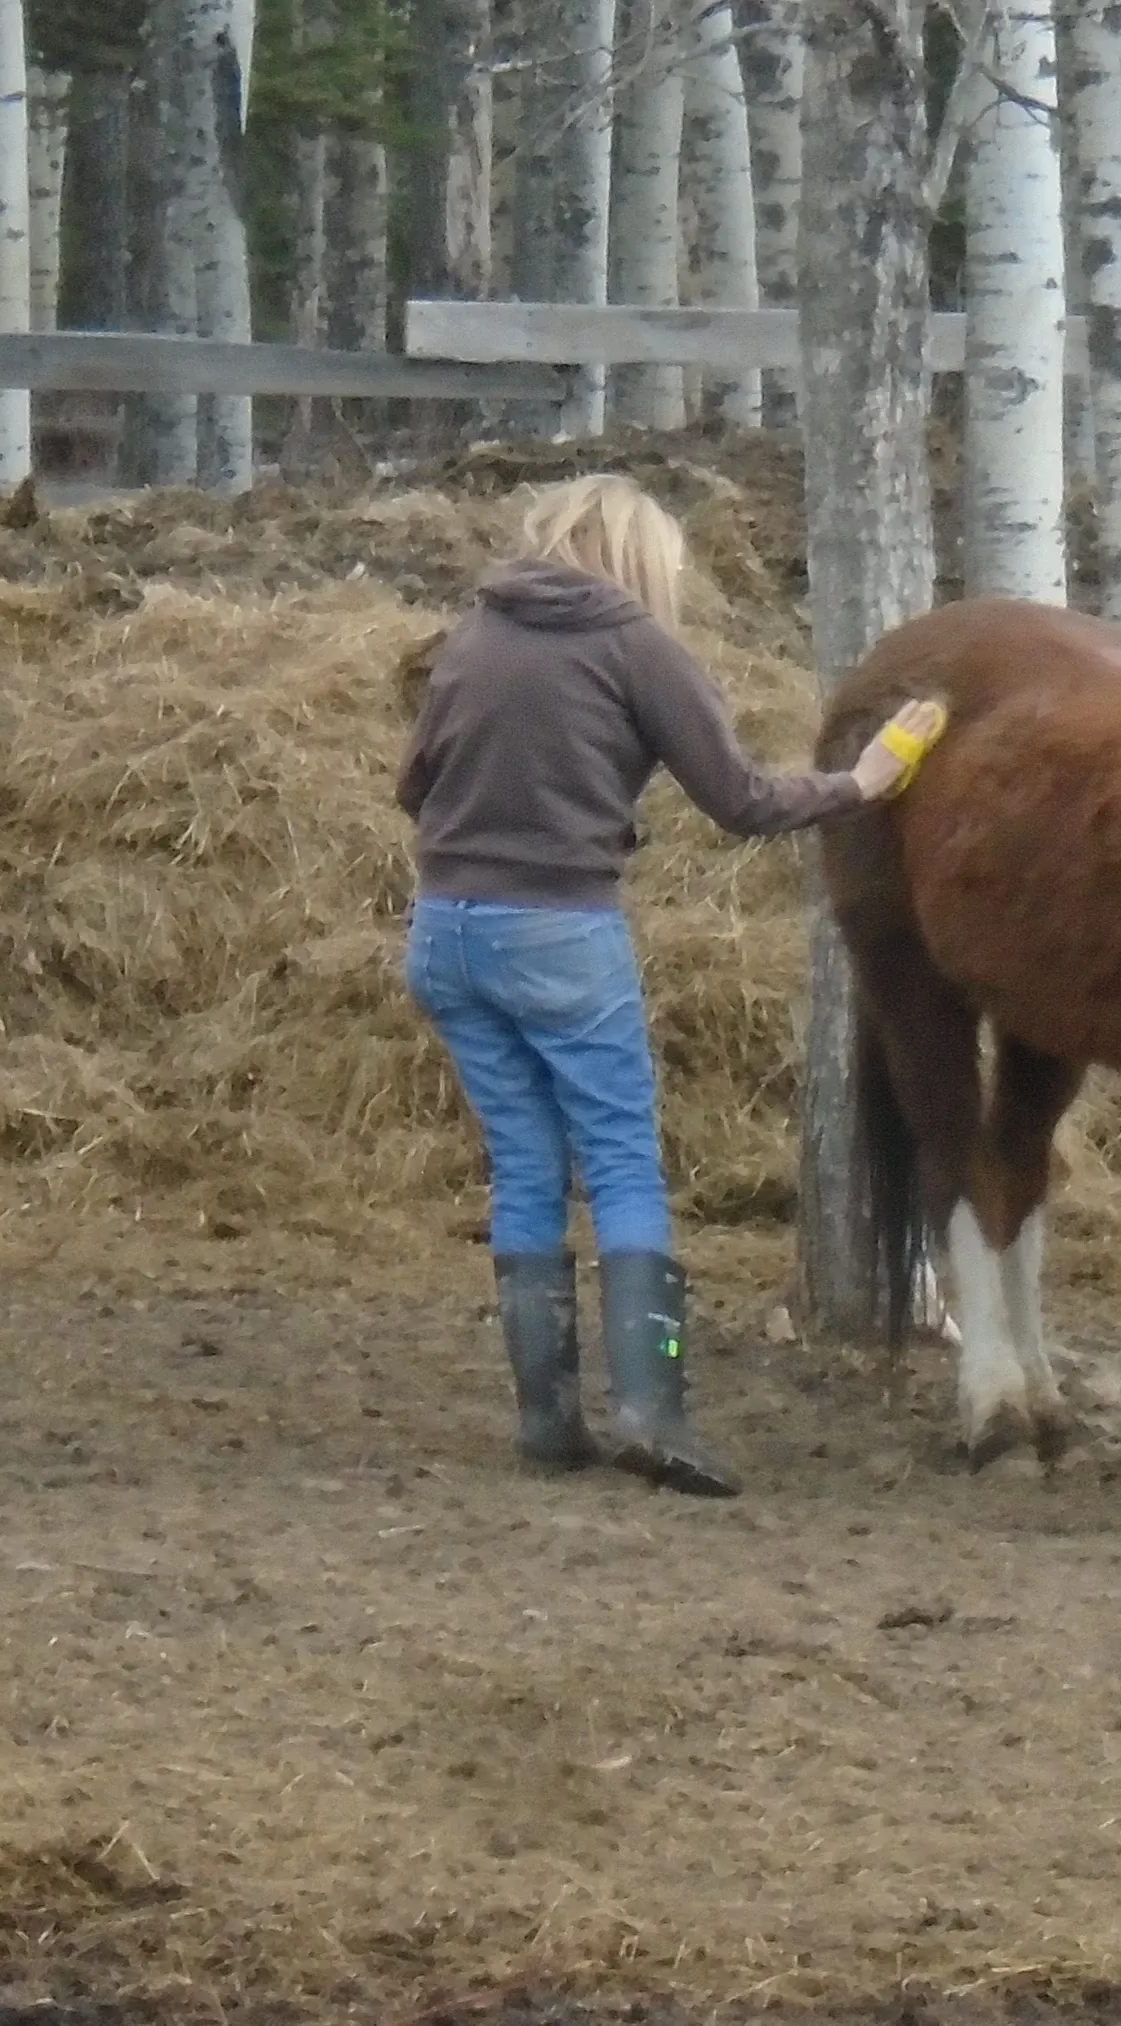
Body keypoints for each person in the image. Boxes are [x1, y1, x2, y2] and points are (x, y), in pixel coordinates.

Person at [397, 474, 943, 1499]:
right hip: (561, 929)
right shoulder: (636, 647)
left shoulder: (472, 634)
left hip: (444, 932)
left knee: (523, 1164)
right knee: (621, 1162)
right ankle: (653, 1408)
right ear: (643, 560)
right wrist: (861, 784)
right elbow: (739, 798)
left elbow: (413, 785)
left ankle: (548, 1419)